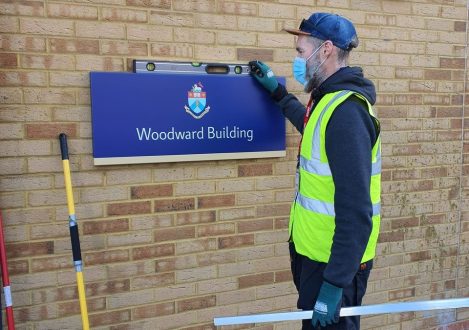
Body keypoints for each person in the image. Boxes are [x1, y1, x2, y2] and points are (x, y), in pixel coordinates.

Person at [249, 13, 381, 330]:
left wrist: (334, 285)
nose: (298, 60)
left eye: (300, 51)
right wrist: (278, 95)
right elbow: (311, 130)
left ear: (325, 50)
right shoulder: (326, 100)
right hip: (315, 258)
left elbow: (357, 209)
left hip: (334, 268)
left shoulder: (346, 111)